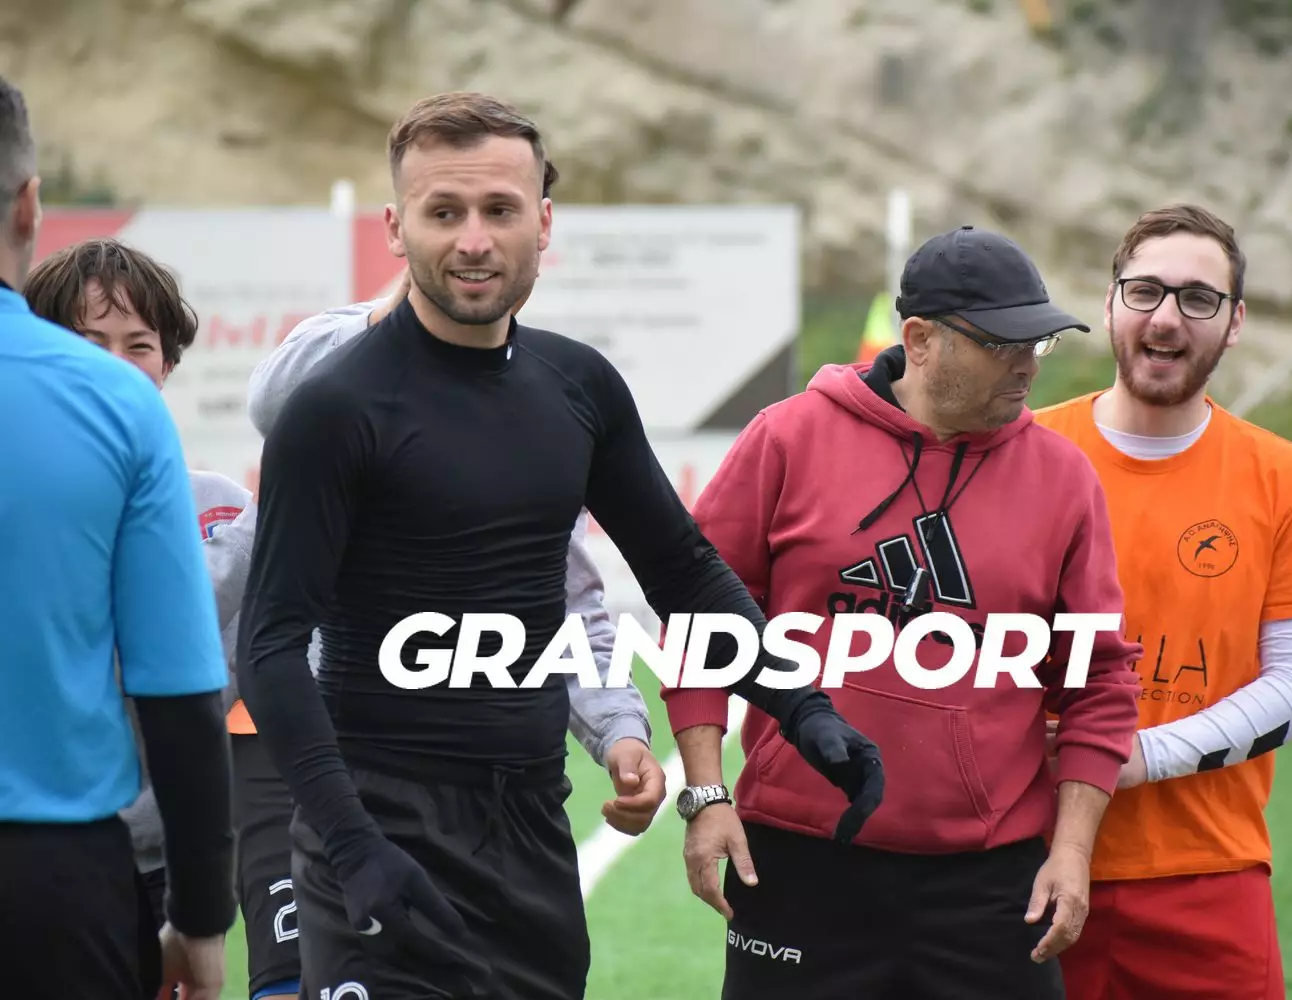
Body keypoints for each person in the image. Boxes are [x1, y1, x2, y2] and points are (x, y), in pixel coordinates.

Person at [235, 90, 884, 1000]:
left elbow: (683, 571)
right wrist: (351, 845)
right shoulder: (335, 409)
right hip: (378, 827)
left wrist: (803, 707)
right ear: (395, 229)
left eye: (499, 210)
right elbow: (269, 647)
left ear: (543, 223)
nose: (474, 241)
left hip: (530, 831)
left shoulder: (578, 386)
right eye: (444, 212)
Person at [27, 235, 670, 1000]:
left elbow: (569, 607)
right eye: (90, 342)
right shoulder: (95, 503)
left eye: (138, 345)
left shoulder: (220, 506)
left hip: (229, 836)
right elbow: (142, 649)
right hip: (64, 843)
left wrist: (616, 724)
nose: (117, 366)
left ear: (168, 361)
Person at [660, 224, 1144, 1000]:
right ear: (919, 340)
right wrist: (707, 793)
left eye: (1039, 342)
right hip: (799, 862)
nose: (1027, 363)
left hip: (990, 882)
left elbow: (1101, 679)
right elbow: (702, 620)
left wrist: (1074, 849)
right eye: (1002, 344)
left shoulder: (1063, 478)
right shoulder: (787, 438)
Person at [1032, 203, 1292, 1000]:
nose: (1166, 317)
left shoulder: (1288, 482)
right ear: (1110, 303)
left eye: (1198, 298)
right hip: (1020, 864)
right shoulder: (1022, 455)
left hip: (1205, 877)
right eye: (1145, 291)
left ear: (1235, 322)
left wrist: (1140, 755)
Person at [0, 74, 235, 1000]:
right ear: (30, 205)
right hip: (50, 879)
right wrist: (203, 915)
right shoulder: (114, 411)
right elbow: (180, 693)